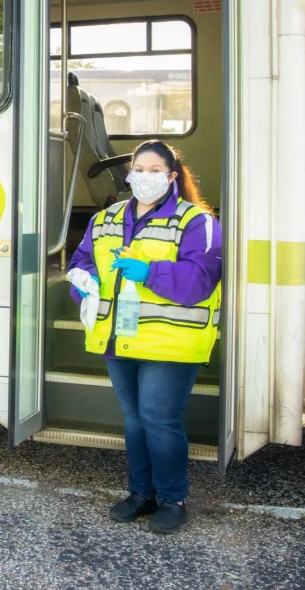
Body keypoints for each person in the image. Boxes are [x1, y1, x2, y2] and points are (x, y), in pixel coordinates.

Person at [67, 139, 222, 535]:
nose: (145, 177)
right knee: (135, 420)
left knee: (159, 419)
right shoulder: (106, 219)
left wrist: (149, 273)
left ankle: (172, 498)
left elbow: (200, 280)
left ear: (172, 177)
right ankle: (141, 494)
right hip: (119, 334)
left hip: (170, 340)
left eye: (155, 171)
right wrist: (83, 283)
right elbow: (82, 260)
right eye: (139, 170)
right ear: (129, 174)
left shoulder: (196, 222)